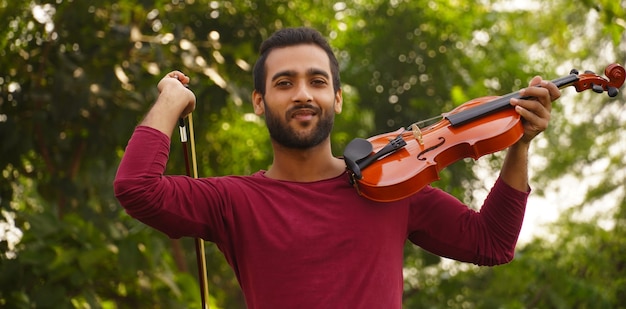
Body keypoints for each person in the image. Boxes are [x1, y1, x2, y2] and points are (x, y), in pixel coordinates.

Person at [114, 27, 561, 308]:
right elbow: (137, 187)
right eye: (284, 83)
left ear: (337, 98)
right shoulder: (233, 200)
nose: (303, 94)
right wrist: (169, 102)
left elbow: (493, 243)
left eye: (318, 81)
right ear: (259, 102)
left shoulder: (393, 184)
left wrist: (517, 146)